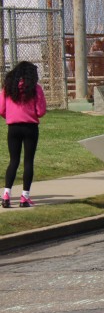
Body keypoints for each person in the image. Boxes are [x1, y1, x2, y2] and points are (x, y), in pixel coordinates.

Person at [1, 61, 46, 208]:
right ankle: (24, 197)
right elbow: (41, 111)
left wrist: (11, 116)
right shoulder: (35, 88)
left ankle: (6, 195)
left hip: (13, 127)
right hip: (30, 127)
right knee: (28, 161)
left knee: (13, 161)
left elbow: (1, 109)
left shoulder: (8, 88)